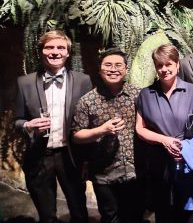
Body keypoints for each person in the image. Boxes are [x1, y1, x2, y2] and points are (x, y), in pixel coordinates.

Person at [14, 30, 92, 223]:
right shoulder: (24, 83)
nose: (55, 52)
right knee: (47, 215)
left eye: (60, 47)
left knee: (79, 211)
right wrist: (28, 125)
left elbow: (89, 121)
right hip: (40, 156)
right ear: (41, 51)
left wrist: (88, 159)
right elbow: (18, 120)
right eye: (49, 47)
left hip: (71, 156)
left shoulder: (83, 81)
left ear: (67, 53)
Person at [135, 44, 193, 223]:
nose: (164, 69)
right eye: (159, 65)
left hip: (189, 161)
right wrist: (164, 140)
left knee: (191, 211)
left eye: (168, 64)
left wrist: (191, 144)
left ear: (177, 65)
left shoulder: (192, 91)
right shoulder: (145, 95)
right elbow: (140, 128)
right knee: (164, 210)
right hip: (160, 161)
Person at [72, 48, 143, 223]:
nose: (113, 69)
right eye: (108, 65)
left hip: (134, 171)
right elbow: (76, 135)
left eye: (118, 65)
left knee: (134, 216)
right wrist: (101, 130)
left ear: (126, 69)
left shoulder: (138, 95)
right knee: (110, 217)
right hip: (104, 174)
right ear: (99, 69)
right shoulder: (87, 101)